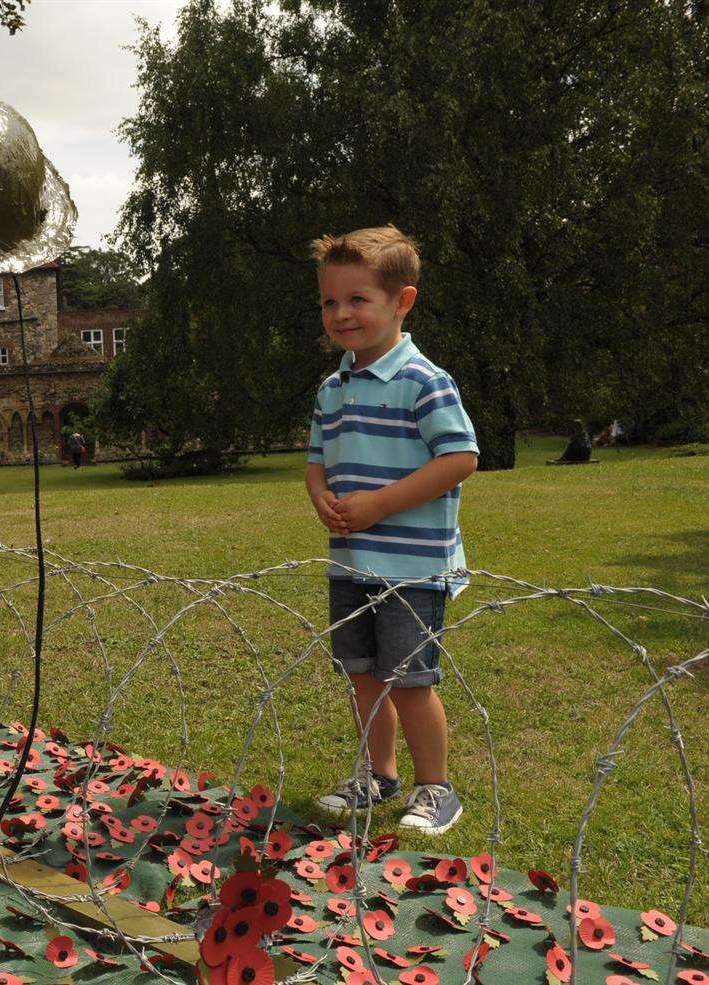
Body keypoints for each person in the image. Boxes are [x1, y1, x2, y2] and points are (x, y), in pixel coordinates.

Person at [304, 224, 479, 836]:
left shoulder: (424, 381)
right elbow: (316, 462)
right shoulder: (332, 388)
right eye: (330, 301)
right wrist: (323, 495)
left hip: (412, 567)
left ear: (401, 301)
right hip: (352, 561)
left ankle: (437, 788)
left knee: (409, 682)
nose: (341, 314)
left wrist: (381, 503)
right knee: (363, 678)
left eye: (358, 300)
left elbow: (460, 458)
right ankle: (378, 776)